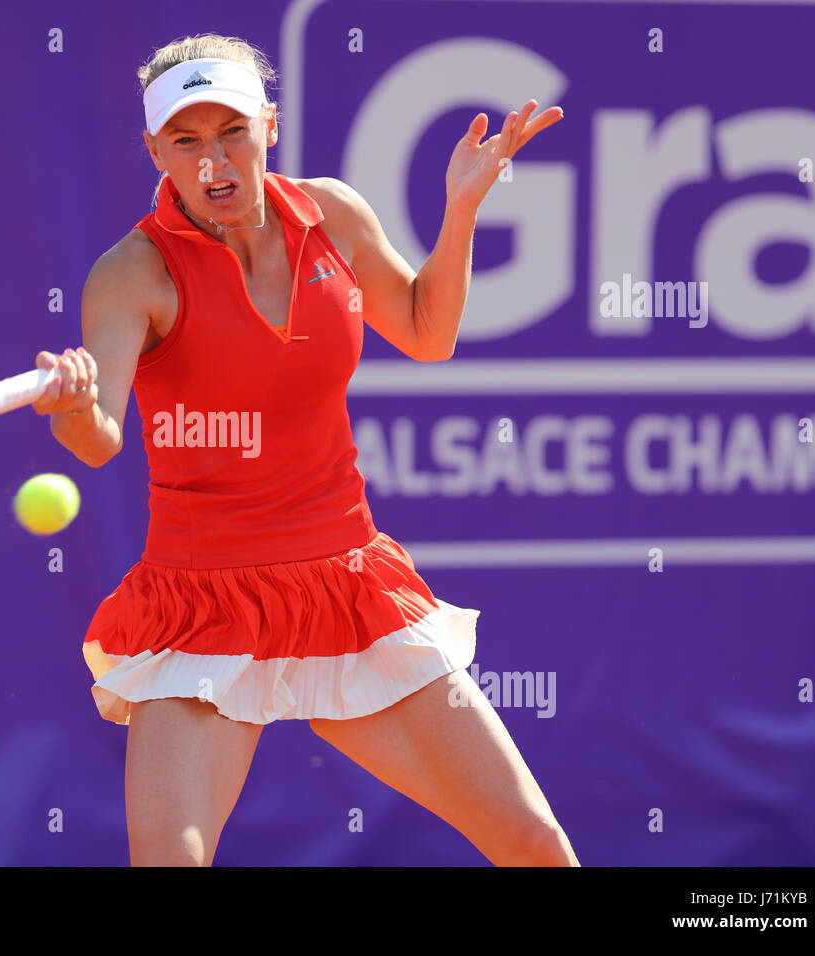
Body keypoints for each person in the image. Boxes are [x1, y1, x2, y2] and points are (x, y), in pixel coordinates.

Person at [34, 33, 576, 867]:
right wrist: (72, 408)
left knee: (534, 842)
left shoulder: (334, 215)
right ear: (154, 150)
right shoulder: (133, 272)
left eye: (232, 132)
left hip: (348, 585)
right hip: (200, 607)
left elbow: (428, 333)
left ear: (269, 127)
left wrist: (460, 211)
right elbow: (99, 436)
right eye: (186, 140)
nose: (213, 161)